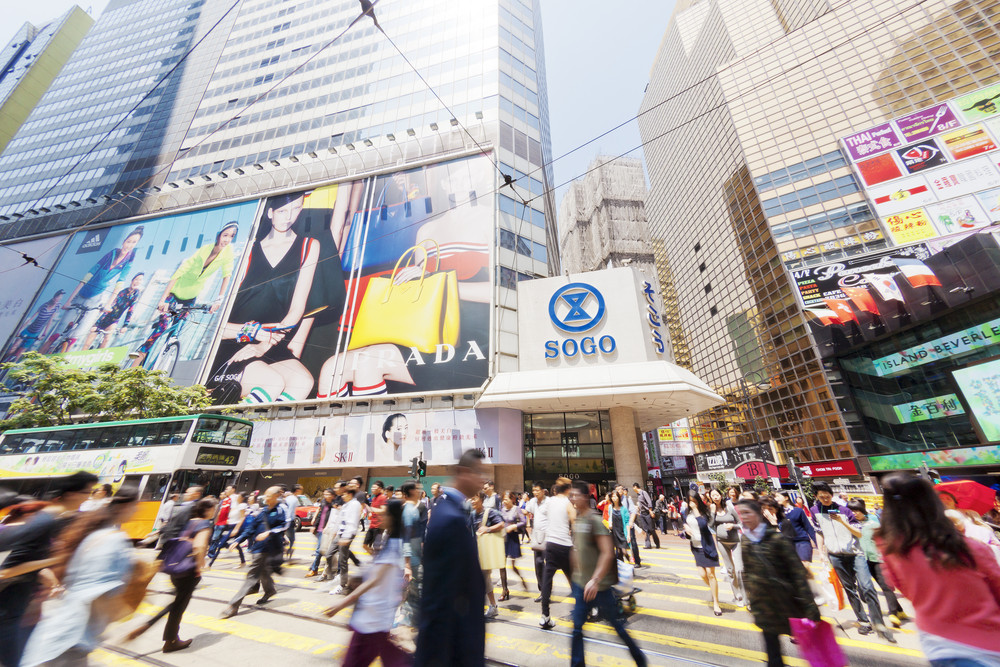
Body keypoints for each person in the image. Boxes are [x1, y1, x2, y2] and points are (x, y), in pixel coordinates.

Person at [877, 472, 1000, 666]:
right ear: (933, 504)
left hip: (936, 645)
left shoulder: (890, 550)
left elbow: (902, 588)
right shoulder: (972, 548)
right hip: (985, 647)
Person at [211, 193, 319, 403]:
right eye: (282, 211)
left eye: (296, 209)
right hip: (234, 338)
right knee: (272, 382)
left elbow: (296, 310)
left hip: (272, 337)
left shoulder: (308, 246)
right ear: (270, 213)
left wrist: (266, 343)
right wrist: (253, 335)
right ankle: (231, 429)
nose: (288, 217)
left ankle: (259, 429)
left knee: (302, 381)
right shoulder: (246, 251)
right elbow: (216, 317)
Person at [21, 489, 139, 667]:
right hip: (72, 641)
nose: (137, 510)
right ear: (126, 507)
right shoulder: (114, 541)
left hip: (60, 633)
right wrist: (121, 623)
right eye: (136, 506)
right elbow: (96, 593)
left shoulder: (92, 536)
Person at [0, 470, 97, 667]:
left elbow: (28, 562)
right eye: (87, 492)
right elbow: (6, 571)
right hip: (8, 607)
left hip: (19, 604)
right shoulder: (45, 522)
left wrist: (51, 581)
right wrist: (54, 559)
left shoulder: (50, 520)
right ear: (71, 493)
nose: (89, 497)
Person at [414, 449, 487, 667]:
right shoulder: (450, 518)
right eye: (478, 472)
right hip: (451, 649)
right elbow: (440, 598)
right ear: (463, 472)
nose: (483, 480)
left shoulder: (447, 508)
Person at [132, 221, 238, 367]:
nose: (227, 240)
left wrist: (219, 300)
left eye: (231, 236)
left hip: (190, 299)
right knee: (160, 330)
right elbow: (178, 273)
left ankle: (157, 368)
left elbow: (227, 274)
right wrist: (162, 300)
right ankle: (133, 367)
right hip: (174, 295)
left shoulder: (228, 252)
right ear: (219, 235)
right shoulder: (204, 250)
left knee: (174, 335)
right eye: (225, 235)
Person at [568, 481, 647, 667]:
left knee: (617, 626)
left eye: (575, 495)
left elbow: (607, 552)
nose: (572, 498)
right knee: (577, 629)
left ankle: (639, 658)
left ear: (586, 497)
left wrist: (595, 580)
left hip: (600, 587)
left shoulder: (595, 520)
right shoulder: (578, 520)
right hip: (582, 586)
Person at [324, 499, 411, 667]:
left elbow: (374, 581)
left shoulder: (393, 546)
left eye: (385, 514)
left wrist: (341, 605)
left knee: (355, 661)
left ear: (393, 517)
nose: (380, 517)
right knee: (387, 655)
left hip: (373, 618)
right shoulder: (387, 539)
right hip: (373, 616)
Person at [737, 498, 821, 667]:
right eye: (741, 513)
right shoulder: (746, 540)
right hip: (764, 604)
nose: (743, 517)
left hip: (785, 600)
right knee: (772, 648)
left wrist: (811, 609)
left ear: (758, 514)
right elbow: (747, 572)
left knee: (808, 642)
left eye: (747, 512)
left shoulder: (776, 538)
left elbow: (797, 573)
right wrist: (751, 599)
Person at [125, 497, 216, 652]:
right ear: (208, 510)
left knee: (176, 603)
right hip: (188, 570)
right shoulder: (205, 524)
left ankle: (150, 626)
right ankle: (170, 640)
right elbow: (199, 546)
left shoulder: (190, 521)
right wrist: (200, 566)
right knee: (178, 607)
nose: (215, 511)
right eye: (214, 508)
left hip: (175, 569)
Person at [811, 481, 890, 640]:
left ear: (832, 495)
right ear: (816, 497)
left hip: (855, 554)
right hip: (835, 555)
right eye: (822, 497)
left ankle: (878, 622)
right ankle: (863, 621)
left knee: (867, 587)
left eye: (828, 496)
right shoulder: (814, 511)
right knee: (849, 589)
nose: (826, 500)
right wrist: (821, 552)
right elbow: (819, 532)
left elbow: (859, 534)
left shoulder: (844, 510)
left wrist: (842, 521)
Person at [56, 226, 144, 351]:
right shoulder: (112, 253)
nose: (129, 245)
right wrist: (69, 300)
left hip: (97, 299)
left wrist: (109, 306)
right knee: (57, 334)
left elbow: (120, 282)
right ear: (124, 241)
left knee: (77, 336)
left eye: (134, 243)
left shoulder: (129, 262)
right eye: (128, 241)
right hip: (82, 293)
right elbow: (90, 273)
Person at [220, 486, 289, 618]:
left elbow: (283, 526)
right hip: (258, 546)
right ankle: (270, 590)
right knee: (262, 571)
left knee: (251, 576)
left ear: (276, 496)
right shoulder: (263, 511)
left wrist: (269, 532)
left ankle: (233, 606)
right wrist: (239, 539)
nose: (265, 498)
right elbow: (252, 527)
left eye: (268, 495)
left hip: (270, 547)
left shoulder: (281, 509)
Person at [840, 499, 906, 627]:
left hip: (877, 559)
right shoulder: (850, 525)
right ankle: (900, 611)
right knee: (863, 591)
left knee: (885, 586)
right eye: (851, 511)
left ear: (862, 510)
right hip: (861, 560)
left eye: (857, 510)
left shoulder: (873, 522)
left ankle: (893, 613)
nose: (854, 513)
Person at [539, 477, 575, 630]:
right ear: (567, 489)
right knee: (574, 580)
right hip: (565, 546)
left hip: (551, 545)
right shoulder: (568, 503)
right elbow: (575, 521)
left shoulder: (549, 502)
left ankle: (545, 616)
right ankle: (588, 607)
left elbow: (542, 516)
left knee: (547, 580)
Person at [83, 272, 144, 350]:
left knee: (107, 339)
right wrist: (97, 323)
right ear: (132, 280)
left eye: (140, 280)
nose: (137, 282)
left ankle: (98, 356)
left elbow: (130, 310)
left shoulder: (136, 294)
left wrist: (125, 325)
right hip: (105, 317)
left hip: (114, 321)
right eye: (136, 279)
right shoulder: (122, 292)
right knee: (89, 340)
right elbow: (112, 305)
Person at [684, 491, 722, 616]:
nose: (692, 503)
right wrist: (686, 530)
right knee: (702, 574)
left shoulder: (705, 511)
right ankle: (713, 589)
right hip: (695, 547)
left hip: (707, 545)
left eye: (694, 501)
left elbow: (703, 525)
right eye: (690, 501)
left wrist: (695, 509)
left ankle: (716, 602)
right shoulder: (686, 512)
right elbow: (685, 525)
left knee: (711, 574)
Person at [471, 491, 504, 618]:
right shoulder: (473, 514)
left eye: (474, 499)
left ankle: (486, 606)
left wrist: (488, 529)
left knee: (482, 579)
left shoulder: (490, 512)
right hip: (476, 552)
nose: (472, 501)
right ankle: (492, 606)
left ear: (481, 499)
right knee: (484, 580)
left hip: (486, 553)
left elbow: (501, 524)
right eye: (471, 499)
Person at [709, 488, 744, 605]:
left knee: (739, 569)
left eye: (717, 494)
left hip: (735, 541)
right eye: (713, 495)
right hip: (722, 542)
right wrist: (712, 513)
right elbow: (710, 526)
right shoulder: (712, 509)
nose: (715, 497)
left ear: (721, 495)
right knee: (730, 570)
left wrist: (732, 526)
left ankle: (745, 596)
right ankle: (737, 595)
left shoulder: (729, 507)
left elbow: (741, 523)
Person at [6, 289, 64, 360]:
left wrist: (44, 334)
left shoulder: (57, 306)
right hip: (28, 330)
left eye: (60, 298)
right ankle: (2, 359)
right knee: (14, 347)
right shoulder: (45, 305)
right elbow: (32, 318)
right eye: (58, 297)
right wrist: (20, 330)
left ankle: (9, 368)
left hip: (36, 333)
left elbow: (50, 321)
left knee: (21, 352)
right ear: (54, 297)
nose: (59, 299)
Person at [399, 481, 426, 627]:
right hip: (413, 560)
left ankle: (408, 618)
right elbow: (406, 538)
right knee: (418, 588)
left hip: (415, 557)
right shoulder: (410, 510)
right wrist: (408, 564)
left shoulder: (411, 508)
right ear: (412, 492)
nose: (420, 491)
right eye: (418, 489)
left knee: (414, 590)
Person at [332, 482, 363, 595]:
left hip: (346, 534)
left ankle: (342, 584)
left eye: (344, 494)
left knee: (342, 559)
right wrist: (334, 532)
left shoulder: (355, 505)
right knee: (329, 553)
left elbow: (353, 522)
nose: (342, 496)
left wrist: (347, 537)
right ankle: (339, 576)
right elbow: (340, 520)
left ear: (350, 494)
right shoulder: (345, 505)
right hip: (340, 533)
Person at [499, 490, 527, 600]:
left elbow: (523, 521)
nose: (504, 501)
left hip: (513, 539)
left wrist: (513, 526)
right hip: (503, 538)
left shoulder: (516, 509)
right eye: (503, 499)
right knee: (502, 565)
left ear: (512, 499)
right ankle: (504, 590)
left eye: (506, 499)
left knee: (512, 566)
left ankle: (521, 578)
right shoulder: (502, 510)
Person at [775, 492, 816, 563]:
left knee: (805, 564)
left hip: (802, 541)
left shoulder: (798, 511)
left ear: (786, 497)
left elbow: (808, 527)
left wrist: (818, 544)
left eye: (778, 496)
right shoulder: (777, 514)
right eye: (775, 497)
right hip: (788, 544)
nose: (776, 499)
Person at [307, 488, 337, 577]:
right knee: (320, 549)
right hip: (320, 528)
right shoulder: (324, 502)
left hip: (327, 530)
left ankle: (314, 568)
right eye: (325, 494)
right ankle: (318, 567)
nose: (326, 496)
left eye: (328, 494)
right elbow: (320, 513)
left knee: (319, 550)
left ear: (333, 495)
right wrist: (314, 524)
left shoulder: (334, 504)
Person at [526, 481, 548, 602]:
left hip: (549, 536)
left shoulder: (549, 502)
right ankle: (543, 592)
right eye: (533, 490)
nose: (535, 493)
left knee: (551, 565)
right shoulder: (533, 501)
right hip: (537, 537)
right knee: (538, 564)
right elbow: (526, 511)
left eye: (537, 490)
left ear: (543, 491)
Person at [207, 485, 236, 565]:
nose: (225, 490)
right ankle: (224, 546)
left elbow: (232, 511)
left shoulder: (233, 499)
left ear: (233, 489)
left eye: (227, 489)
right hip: (219, 522)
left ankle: (211, 554)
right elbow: (219, 512)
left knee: (215, 538)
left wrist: (229, 519)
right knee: (216, 538)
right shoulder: (225, 500)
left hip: (224, 523)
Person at [632, 483, 660, 549]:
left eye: (633, 488)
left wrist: (650, 511)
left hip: (647, 513)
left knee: (652, 529)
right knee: (646, 530)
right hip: (642, 514)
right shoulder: (638, 495)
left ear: (635, 487)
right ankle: (648, 545)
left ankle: (657, 543)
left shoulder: (643, 492)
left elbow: (649, 502)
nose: (633, 489)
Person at [364, 480, 387, 555]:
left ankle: (376, 560)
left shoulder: (383, 497)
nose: (372, 488)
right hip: (372, 525)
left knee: (376, 546)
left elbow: (383, 510)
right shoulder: (374, 498)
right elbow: (372, 510)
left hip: (379, 526)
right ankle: (375, 558)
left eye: (374, 487)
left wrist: (373, 509)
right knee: (364, 545)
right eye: (372, 487)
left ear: (380, 488)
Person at [609, 489, 631, 563]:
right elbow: (609, 518)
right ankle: (623, 569)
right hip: (614, 533)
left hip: (622, 532)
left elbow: (627, 522)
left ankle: (630, 563)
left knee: (624, 551)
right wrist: (609, 523)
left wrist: (628, 534)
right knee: (618, 553)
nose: (614, 498)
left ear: (619, 497)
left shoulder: (623, 509)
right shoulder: (610, 507)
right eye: (612, 496)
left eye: (615, 496)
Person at [284, 485, 301, 560]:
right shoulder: (294, 499)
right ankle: (288, 550)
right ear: (297, 490)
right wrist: (288, 522)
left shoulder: (288, 498)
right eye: (301, 489)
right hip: (289, 520)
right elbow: (290, 511)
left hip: (285, 520)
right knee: (292, 539)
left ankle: (287, 550)